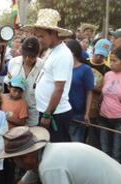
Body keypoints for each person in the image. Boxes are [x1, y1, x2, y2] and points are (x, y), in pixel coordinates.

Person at [22, 9, 74, 142]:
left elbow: (59, 88)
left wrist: (47, 114)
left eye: (42, 36)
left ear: (53, 33)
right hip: (46, 111)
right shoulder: (51, 51)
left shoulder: (62, 54)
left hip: (55, 114)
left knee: (57, 152)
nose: (39, 40)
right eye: (37, 36)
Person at [4, 37, 44, 127]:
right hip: (14, 113)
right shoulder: (13, 62)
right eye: (25, 55)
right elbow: (8, 82)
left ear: (38, 54)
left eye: (32, 56)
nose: (27, 59)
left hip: (33, 113)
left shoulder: (43, 66)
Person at [66, 39, 94, 143]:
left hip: (78, 114)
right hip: (63, 112)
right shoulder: (63, 67)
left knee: (76, 143)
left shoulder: (85, 69)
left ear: (72, 52)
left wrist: (87, 113)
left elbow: (89, 92)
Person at [85, 39, 112, 148]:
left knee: (92, 137)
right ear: (94, 50)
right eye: (98, 54)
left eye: (102, 55)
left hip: (95, 109)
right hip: (80, 105)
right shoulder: (84, 62)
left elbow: (106, 90)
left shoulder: (108, 70)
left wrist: (93, 87)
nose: (99, 57)